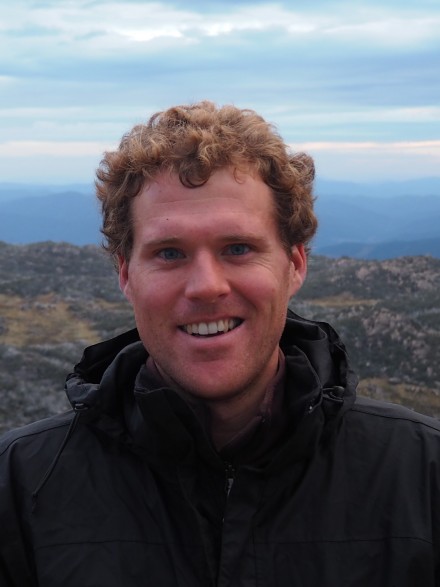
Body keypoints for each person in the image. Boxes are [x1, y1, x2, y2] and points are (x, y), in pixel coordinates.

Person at [0, 101, 439, 587]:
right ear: (126, 274)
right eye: (170, 253)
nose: (206, 286)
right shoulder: (19, 486)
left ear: (295, 265)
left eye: (238, 248)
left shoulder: (421, 474)